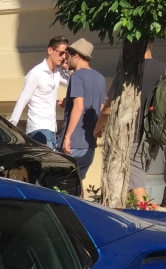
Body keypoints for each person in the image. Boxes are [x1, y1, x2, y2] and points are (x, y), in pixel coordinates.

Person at [95, 44, 166, 205]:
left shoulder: (129, 73)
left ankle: (146, 215)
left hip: (133, 136)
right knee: (135, 181)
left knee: (136, 186)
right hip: (156, 135)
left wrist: (97, 127)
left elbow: (108, 110)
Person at [9, 36, 69, 148]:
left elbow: (73, 83)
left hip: (51, 128)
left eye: (65, 54)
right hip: (38, 128)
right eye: (61, 53)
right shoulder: (36, 73)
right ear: (50, 50)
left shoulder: (58, 72)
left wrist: (67, 68)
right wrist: (11, 127)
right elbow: (22, 100)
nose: (63, 57)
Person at [60, 38, 105, 180]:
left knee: (61, 183)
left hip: (73, 143)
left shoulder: (77, 77)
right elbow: (102, 107)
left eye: (68, 55)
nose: (66, 59)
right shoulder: (100, 78)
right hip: (89, 144)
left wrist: (67, 138)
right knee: (78, 184)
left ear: (76, 55)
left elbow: (78, 107)